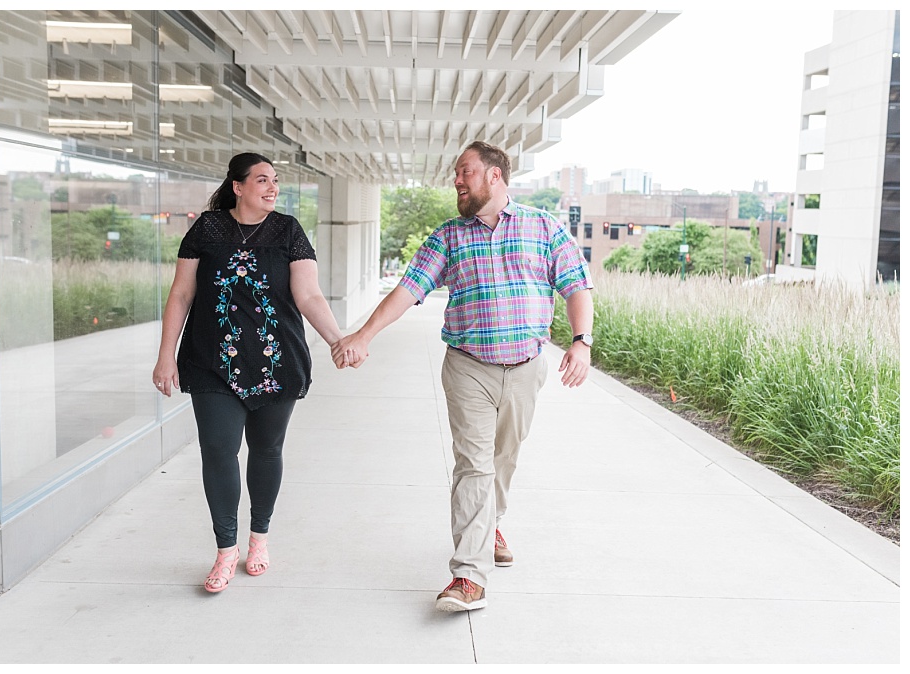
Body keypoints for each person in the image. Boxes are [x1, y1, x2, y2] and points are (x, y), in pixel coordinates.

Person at [331, 141, 594, 612]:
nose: (457, 179)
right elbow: (408, 289)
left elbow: (576, 285)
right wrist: (364, 334)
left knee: (504, 458)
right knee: (474, 464)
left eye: (465, 171)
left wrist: (581, 341)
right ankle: (469, 576)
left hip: (526, 367)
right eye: (456, 173)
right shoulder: (448, 236)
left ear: (495, 176)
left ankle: (491, 521)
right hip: (468, 366)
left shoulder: (543, 227)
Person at [153, 152, 348, 593]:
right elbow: (181, 295)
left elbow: (309, 295)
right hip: (211, 360)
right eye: (262, 180)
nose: (272, 187)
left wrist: (337, 338)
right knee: (219, 450)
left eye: (275, 180)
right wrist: (166, 355)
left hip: (276, 361)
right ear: (237, 187)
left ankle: (258, 538)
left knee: (266, 450)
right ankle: (226, 549)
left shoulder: (288, 230)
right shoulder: (206, 229)